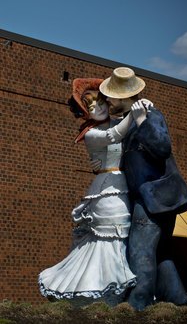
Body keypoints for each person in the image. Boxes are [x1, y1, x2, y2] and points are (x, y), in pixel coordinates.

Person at [99, 67, 187, 310]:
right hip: (152, 197)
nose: (107, 100)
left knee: (140, 252)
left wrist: (142, 121)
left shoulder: (150, 116)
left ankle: (137, 306)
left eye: (111, 95)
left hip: (154, 198)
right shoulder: (125, 120)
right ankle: (178, 301)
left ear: (123, 97)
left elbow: (162, 148)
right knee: (160, 253)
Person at [38, 78, 137, 306]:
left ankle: (119, 293)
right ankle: (100, 293)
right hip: (106, 190)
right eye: (92, 107)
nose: (99, 108)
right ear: (86, 112)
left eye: (101, 103)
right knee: (109, 236)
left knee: (122, 238)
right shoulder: (91, 134)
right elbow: (114, 137)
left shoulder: (116, 121)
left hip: (123, 186)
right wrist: (135, 109)